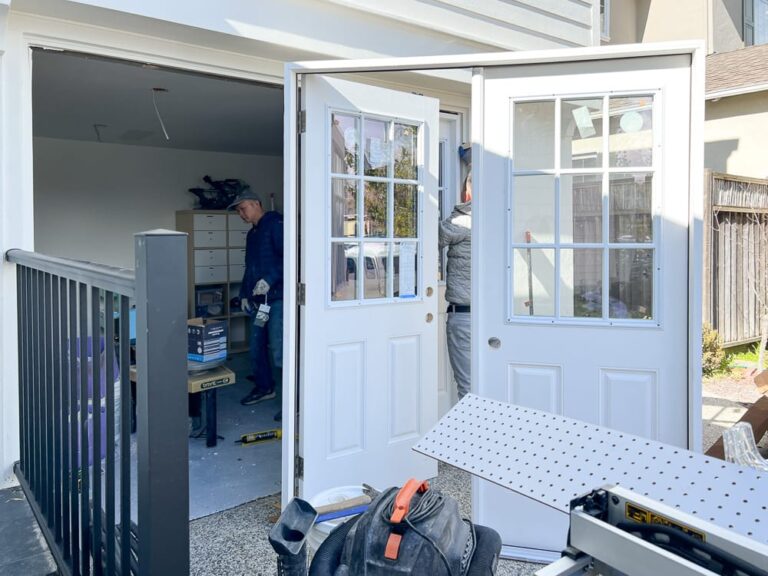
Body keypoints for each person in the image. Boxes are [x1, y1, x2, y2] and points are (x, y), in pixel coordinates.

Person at [227, 190, 283, 416]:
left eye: (243, 208)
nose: (241, 213)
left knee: (279, 348)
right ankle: (265, 387)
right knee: (257, 345)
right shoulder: (252, 235)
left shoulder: (276, 224)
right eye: (238, 210)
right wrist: (243, 294)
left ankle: (292, 402)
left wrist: (269, 280)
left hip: (278, 300)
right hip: (262, 304)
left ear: (257, 204)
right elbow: (249, 269)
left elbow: (290, 257)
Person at [439, 172, 472, 400]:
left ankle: (472, 436)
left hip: (465, 317)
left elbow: (425, 240)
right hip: (494, 316)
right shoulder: (503, 217)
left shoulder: (462, 221)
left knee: (468, 388)